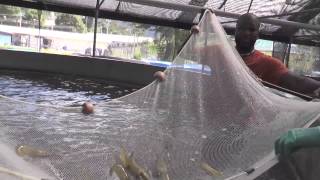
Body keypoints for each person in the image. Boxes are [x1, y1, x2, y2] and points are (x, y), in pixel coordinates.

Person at [235, 13, 320, 97]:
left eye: (252, 30)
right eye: (241, 28)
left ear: (258, 35)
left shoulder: (266, 63)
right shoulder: (223, 54)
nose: (246, 33)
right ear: (235, 31)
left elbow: (297, 82)